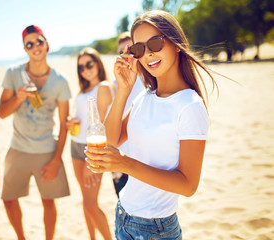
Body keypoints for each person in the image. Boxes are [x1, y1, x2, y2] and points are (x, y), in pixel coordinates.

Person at [85, 10, 218, 239]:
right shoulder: (146, 96)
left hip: (155, 229)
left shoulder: (189, 106)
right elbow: (113, 138)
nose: (147, 54)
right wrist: (124, 91)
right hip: (123, 215)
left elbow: (188, 185)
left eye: (155, 43)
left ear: (176, 43)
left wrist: (125, 164)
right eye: (139, 48)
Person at [0, 25, 71, 240]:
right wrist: (18, 98)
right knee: (8, 199)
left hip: (46, 150)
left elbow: (64, 123)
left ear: (46, 45)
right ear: (25, 49)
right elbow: (2, 113)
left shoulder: (60, 81)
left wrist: (57, 159)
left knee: (48, 201)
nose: (35, 47)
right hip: (18, 147)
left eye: (38, 41)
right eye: (29, 44)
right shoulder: (13, 74)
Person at [66, 47, 113, 240]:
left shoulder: (103, 86)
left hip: (92, 149)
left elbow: (101, 124)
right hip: (75, 145)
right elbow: (83, 118)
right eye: (81, 67)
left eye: (89, 64)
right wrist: (71, 121)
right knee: (86, 201)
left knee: (90, 204)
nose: (85, 69)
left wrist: (89, 160)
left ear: (97, 63)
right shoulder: (83, 89)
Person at [111, 32, 146, 198]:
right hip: (121, 156)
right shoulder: (114, 83)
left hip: (145, 158)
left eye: (131, 50)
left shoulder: (151, 78)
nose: (126, 56)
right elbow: (110, 127)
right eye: (122, 52)